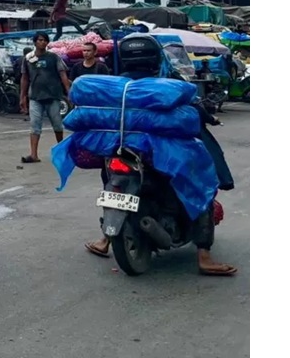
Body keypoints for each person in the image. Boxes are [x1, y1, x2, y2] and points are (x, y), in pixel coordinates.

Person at [83, 35, 238, 276]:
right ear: (155, 59)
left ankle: (104, 240)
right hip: (156, 155)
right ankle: (204, 256)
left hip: (119, 149)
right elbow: (193, 108)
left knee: (111, 183)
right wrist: (207, 117)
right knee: (202, 185)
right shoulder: (168, 85)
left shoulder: (114, 89)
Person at [20, 32, 71, 164]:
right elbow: (25, 78)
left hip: (53, 96)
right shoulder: (28, 59)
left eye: (44, 40)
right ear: (35, 42)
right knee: (34, 126)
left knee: (57, 125)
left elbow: (62, 74)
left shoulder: (54, 58)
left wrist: (68, 91)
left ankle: (62, 151)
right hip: (35, 97)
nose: (42, 42)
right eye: (39, 40)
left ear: (47, 43)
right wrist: (22, 97)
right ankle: (33, 155)